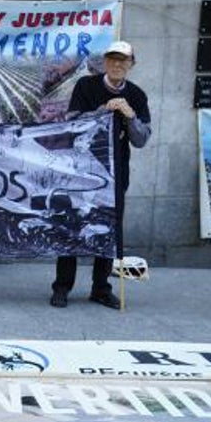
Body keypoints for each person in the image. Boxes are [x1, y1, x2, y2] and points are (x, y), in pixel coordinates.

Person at [50, 40, 152, 308]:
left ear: (131, 64)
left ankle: (101, 287)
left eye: (123, 60)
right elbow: (72, 124)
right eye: (113, 59)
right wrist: (102, 111)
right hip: (82, 171)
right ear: (105, 62)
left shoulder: (138, 95)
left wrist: (129, 116)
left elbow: (142, 140)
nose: (117, 64)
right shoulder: (86, 86)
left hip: (116, 171)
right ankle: (62, 286)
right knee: (71, 226)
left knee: (108, 228)